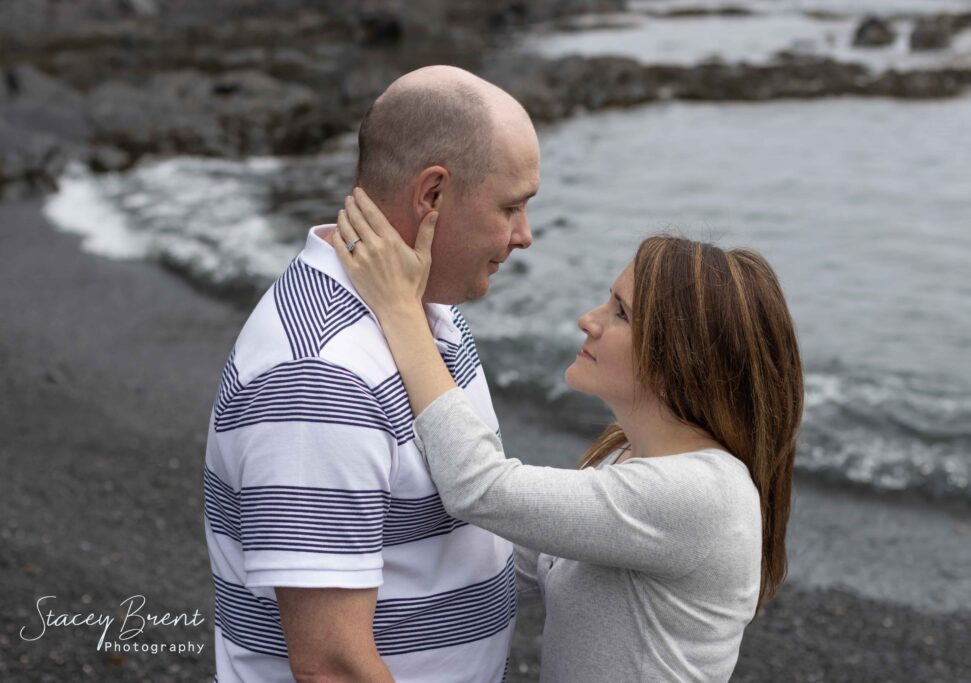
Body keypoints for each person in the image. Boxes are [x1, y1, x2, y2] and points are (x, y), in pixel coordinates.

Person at [330, 190, 804, 682]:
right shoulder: (624, 456)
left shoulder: (700, 494)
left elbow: (480, 487)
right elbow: (511, 561)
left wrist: (402, 310)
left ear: (680, 361)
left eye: (620, 312)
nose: (589, 320)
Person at [202, 66, 540, 682]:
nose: (525, 236)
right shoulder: (318, 376)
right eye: (511, 207)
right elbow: (332, 665)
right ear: (432, 195)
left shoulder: (427, 311)